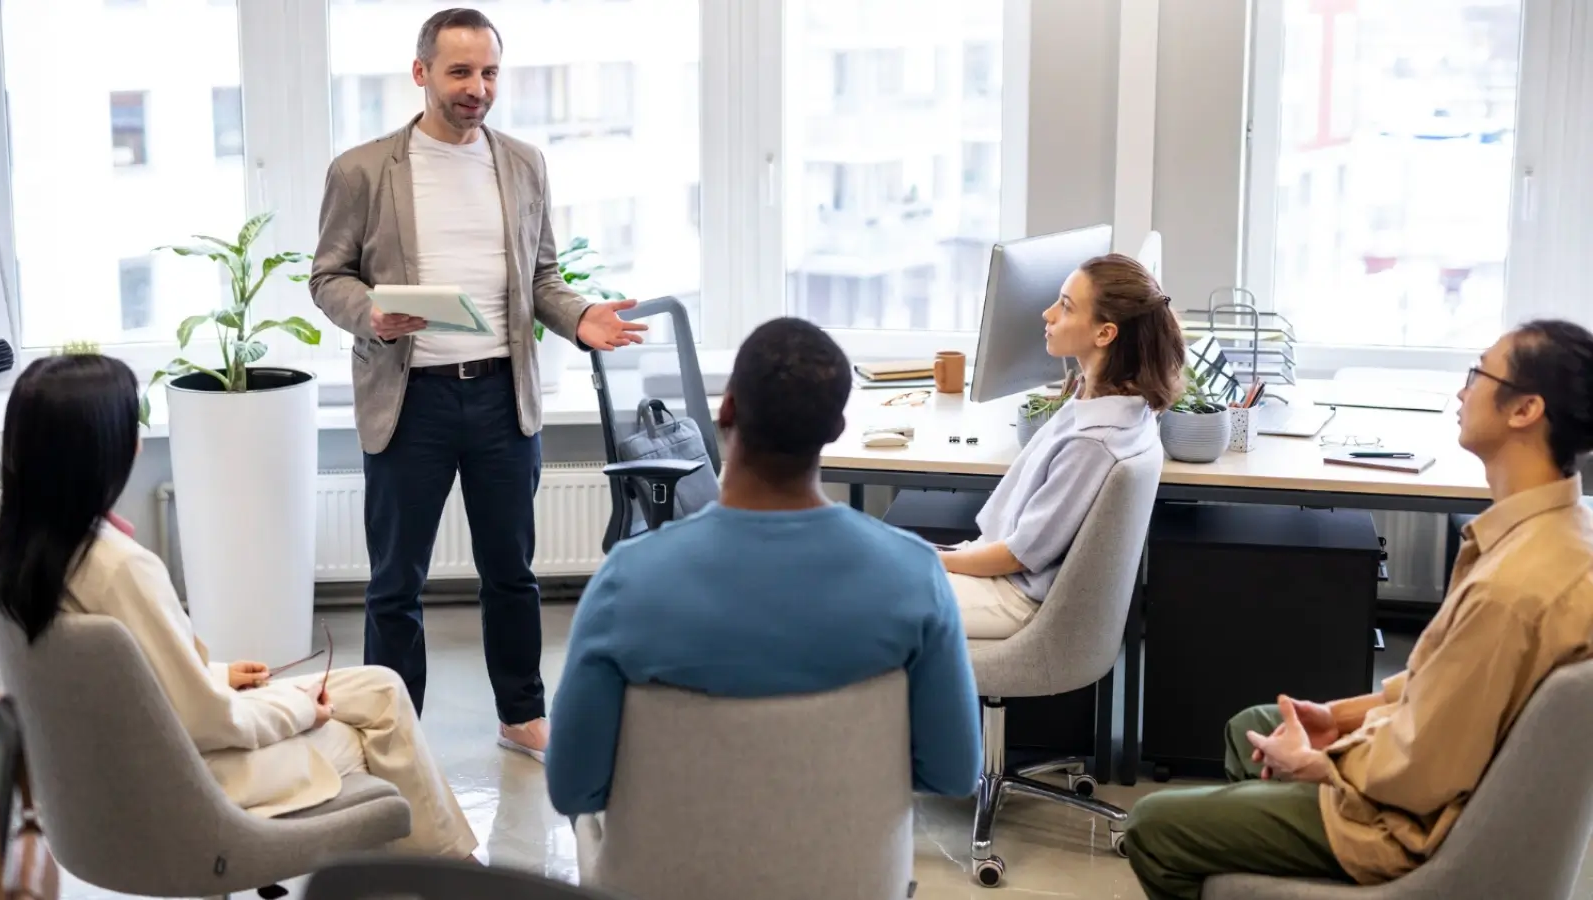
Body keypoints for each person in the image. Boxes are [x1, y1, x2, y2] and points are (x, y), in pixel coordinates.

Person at [1124, 319, 1593, 899]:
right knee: (1252, 727)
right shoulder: (1557, 536)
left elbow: (1425, 765)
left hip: (1401, 824)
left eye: (1477, 373)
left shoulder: (1513, 591)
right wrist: (1340, 716)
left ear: (1525, 410)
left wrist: (1325, 764)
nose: (1461, 390)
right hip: (1422, 772)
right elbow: (1443, 688)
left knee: (1153, 828)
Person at [309, 7, 645, 760]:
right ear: (422, 72)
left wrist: (580, 315)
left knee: (511, 573)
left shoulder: (523, 162)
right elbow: (327, 276)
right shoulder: (362, 170)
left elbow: (543, 276)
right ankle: (395, 734)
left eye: (489, 72)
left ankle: (521, 714)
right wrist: (371, 312)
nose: (477, 88)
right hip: (411, 401)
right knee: (396, 583)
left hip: (501, 397)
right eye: (460, 71)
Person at [0, 355, 479, 859]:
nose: (137, 440)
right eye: (129, 426)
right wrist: (298, 710)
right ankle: (457, 875)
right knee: (380, 733)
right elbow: (206, 719)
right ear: (101, 452)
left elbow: (126, 674)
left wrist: (217, 672)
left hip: (121, 761)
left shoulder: (21, 551)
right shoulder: (121, 569)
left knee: (381, 686)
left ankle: (450, 868)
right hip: (200, 776)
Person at [545, 317, 982, 815]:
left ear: (727, 409)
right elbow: (950, 773)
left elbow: (573, 788)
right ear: (837, 429)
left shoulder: (627, 582)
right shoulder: (915, 576)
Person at [939, 253, 1184, 639]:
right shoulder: (1112, 404)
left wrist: (937, 563)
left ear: (1104, 334)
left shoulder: (1094, 442)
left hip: (1011, 595)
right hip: (1004, 576)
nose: (1047, 314)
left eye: (1066, 307)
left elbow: (1018, 554)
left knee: (860, 598)